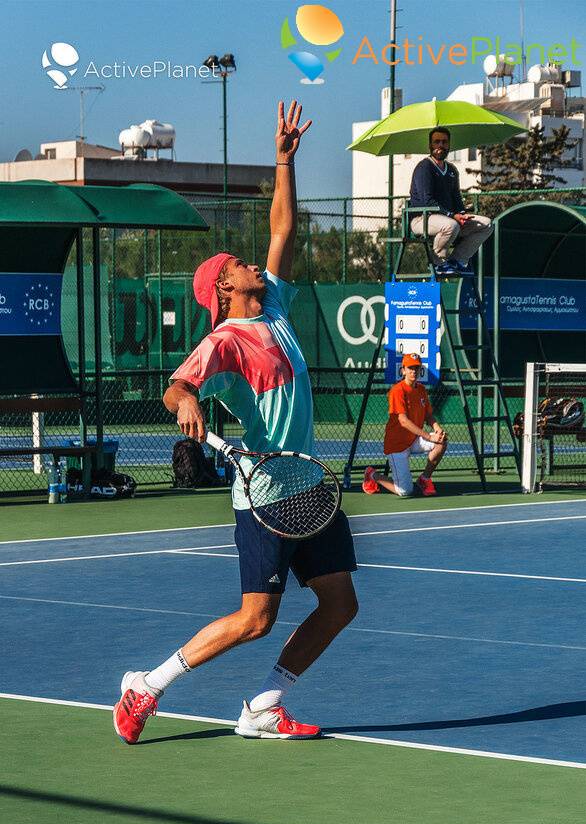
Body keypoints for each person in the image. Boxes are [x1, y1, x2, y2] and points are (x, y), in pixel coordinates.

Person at [113, 100, 358, 744]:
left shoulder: (272, 303)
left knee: (340, 603)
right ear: (223, 287)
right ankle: (147, 683)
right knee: (256, 618)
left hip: (308, 482)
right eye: (236, 264)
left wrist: (284, 158)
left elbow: (283, 229)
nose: (249, 261)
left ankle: (264, 704)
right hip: (266, 494)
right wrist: (187, 400)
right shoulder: (223, 341)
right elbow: (175, 387)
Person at [409, 127, 493, 276]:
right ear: (430, 145)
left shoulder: (452, 170)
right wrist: (452, 215)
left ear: (449, 145)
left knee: (486, 224)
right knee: (451, 225)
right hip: (421, 219)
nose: (440, 145)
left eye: (444, 142)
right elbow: (426, 201)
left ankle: (457, 260)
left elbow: (456, 199)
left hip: (449, 220)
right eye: (436, 142)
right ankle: (438, 263)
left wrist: (462, 214)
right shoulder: (424, 167)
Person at [363, 353, 447, 498]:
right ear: (403, 370)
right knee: (405, 491)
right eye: (410, 368)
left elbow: (428, 415)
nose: (413, 371)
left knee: (441, 442)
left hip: (414, 439)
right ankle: (373, 475)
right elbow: (403, 421)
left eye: (416, 367)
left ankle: (424, 479)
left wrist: (437, 428)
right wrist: (428, 436)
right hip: (397, 445)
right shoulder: (397, 390)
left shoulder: (421, 389)